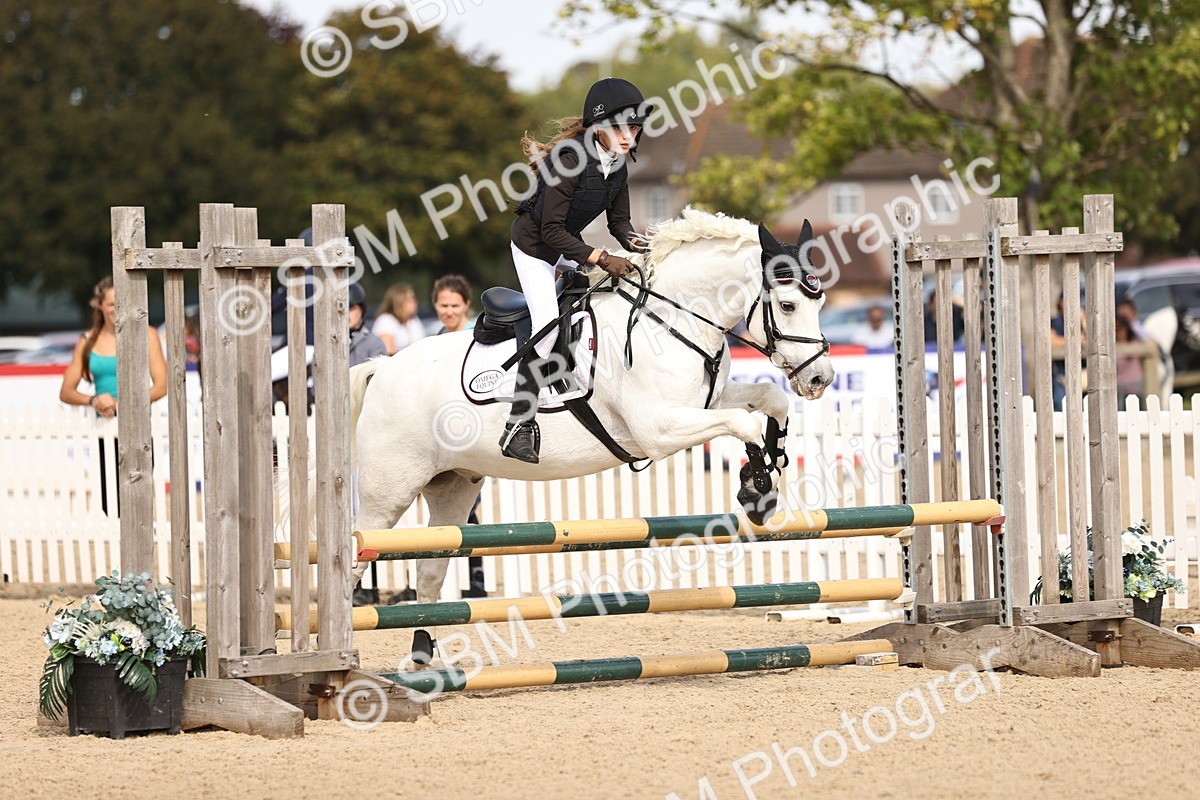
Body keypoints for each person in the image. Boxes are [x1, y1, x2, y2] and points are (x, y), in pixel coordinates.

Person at [502, 76, 654, 464]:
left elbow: (621, 225)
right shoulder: (568, 159)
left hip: (567, 244)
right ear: (599, 126)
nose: (629, 136)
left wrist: (645, 247)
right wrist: (602, 259)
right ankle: (518, 423)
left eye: (634, 128)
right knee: (547, 324)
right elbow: (550, 230)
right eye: (622, 127)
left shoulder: (617, 165)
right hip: (535, 248)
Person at [59, 276, 168, 514]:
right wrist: (94, 400)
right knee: (111, 504)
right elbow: (66, 391)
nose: (117, 309)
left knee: (138, 504)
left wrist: (120, 404)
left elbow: (161, 386)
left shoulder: (147, 335)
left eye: (122, 302)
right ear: (100, 305)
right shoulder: (88, 340)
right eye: (111, 304)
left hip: (138, 428)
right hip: (103, 431)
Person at [372, 283, 425, 354]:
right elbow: (387, 350)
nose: (415, 302)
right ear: (400, 302)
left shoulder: (414, 320)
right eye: (411, 299)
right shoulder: (386, 320)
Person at [348, 283, 388, 367]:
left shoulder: (374, 343)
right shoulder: (327, 342)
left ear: (362, 309)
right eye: (341, 308)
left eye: (351, 308)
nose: (346, 313)